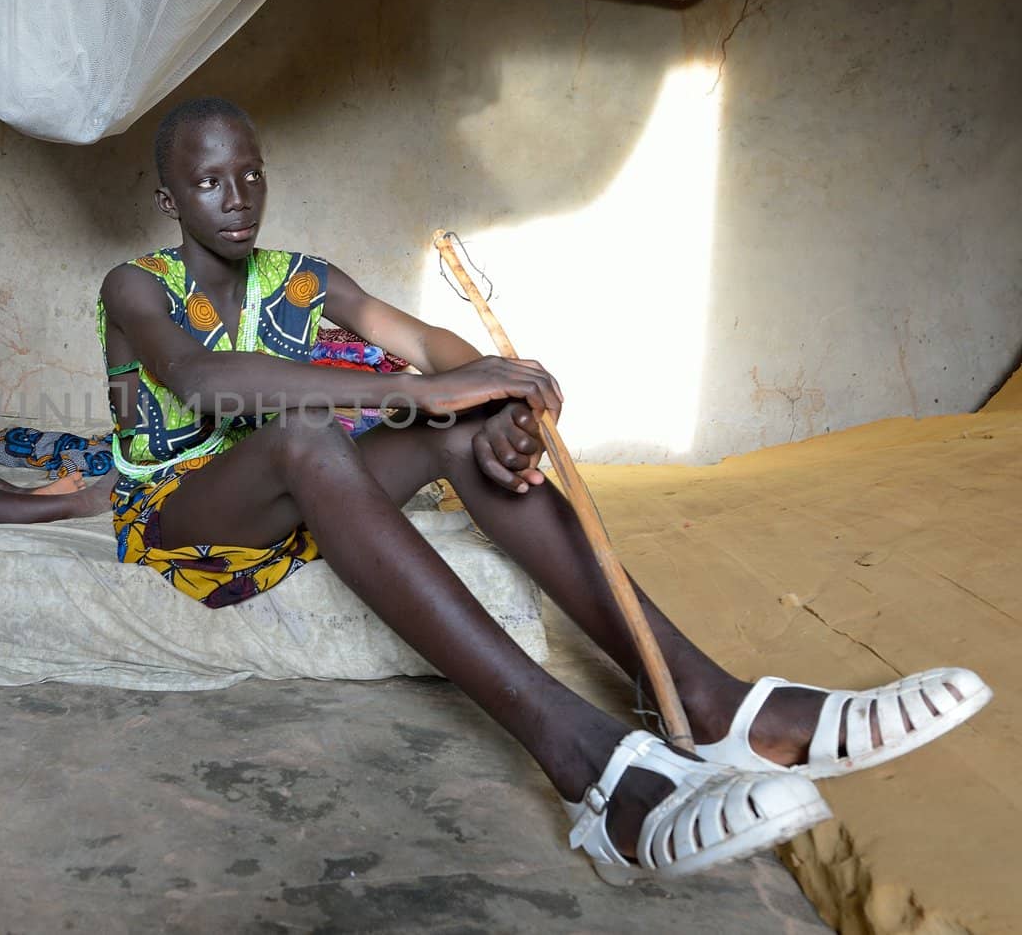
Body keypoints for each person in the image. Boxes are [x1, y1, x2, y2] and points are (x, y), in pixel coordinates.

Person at [95, 96, 992, 883]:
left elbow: (436, 348)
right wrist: (414, 390)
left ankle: (712, 703)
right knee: (310, 435)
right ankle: (580, 756)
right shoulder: (136, 284)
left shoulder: (301, 276)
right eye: (210, 183)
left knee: (458, 429)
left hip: (299, 499)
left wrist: (498, 385)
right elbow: (202, 377)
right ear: (172, 201)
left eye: (251, 175)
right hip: (190, 512)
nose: (238, 197)